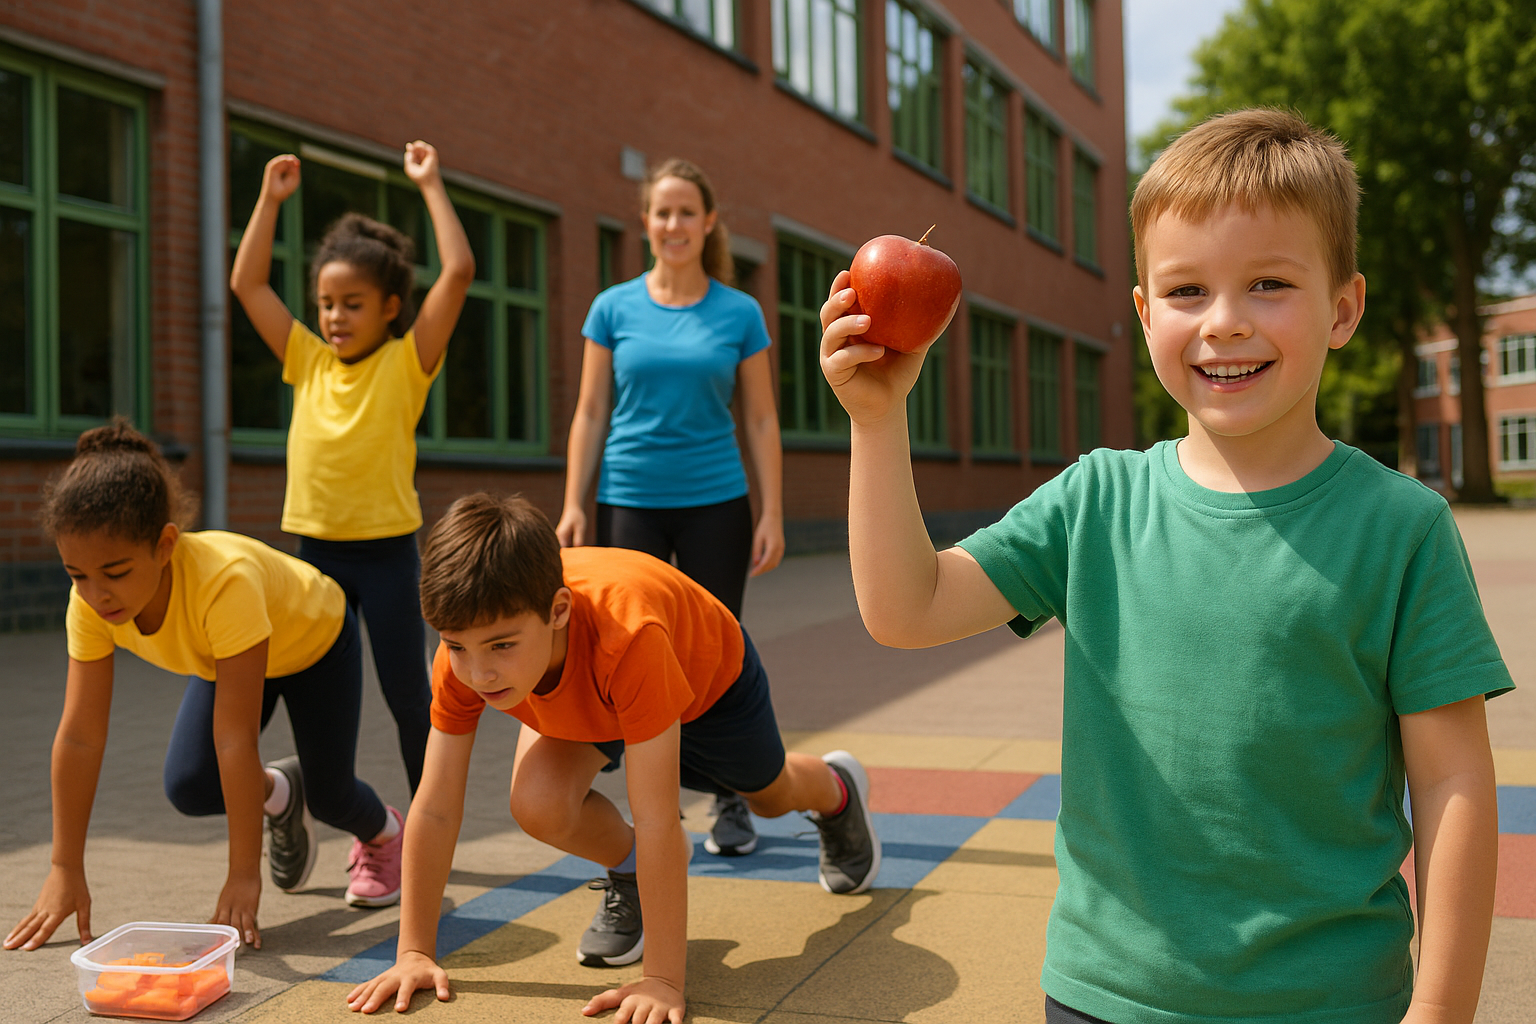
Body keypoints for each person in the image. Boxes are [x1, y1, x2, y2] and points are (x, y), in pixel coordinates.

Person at [819, 108, 1510, 1024]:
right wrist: (877, 423)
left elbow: (1454, 784)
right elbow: (907, 609)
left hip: (1332, 1000)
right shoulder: (1096, 501)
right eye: (1187, 291)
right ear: (1145, 315)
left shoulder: (1403, 529)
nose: (1224, 323)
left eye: (1269, 284)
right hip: (1105, 993)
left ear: (1343, 309)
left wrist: (1442, 1010)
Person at [344, 493, 879, 1023]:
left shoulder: (629, 637)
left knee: (770, 797)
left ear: (557, 611)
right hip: (594, 693)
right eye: (457, 646)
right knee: (539, 803)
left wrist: (662, 981)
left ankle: (837, 790)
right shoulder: (465, 653)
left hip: (708, 684)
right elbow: (435, 807)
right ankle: (630, 873)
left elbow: (658, 818)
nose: (479, 673)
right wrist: (414, 951)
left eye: (502, 646)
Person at [3, 420, 406, 955]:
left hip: (316, 642)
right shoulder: (89, 606)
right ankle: (281, 793)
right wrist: (63, 866)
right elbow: (79, 737)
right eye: (77, 574)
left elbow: (234, 739)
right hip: (230, 655)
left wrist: (243, 876)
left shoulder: (224, 582)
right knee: (191, 784)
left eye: (116, 573)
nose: (97, 594)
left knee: (332, 797)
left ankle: (386, 832)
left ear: (165, 545)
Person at [229, 140, 474, 796]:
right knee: (306, 698)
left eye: (353, 303)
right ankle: (320, 803)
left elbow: (458, 271)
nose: (335, 316)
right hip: (315, 559)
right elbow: (247, 284)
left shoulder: (407, 362)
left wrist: (430, 183)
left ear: (390, 306)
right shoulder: (307, 360)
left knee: (409, 700)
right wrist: (269, 200)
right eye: (326, 303)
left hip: (388, 558)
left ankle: (431, 827)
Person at [556, 158, 784, 859]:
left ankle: (729, 798)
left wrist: (773, 511)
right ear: (645, 221)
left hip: (717, 501)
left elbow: (761, 418)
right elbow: (590, 410)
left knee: (713, 652)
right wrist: (572, 503)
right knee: (626, 650)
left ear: (708, 222)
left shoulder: (739, 312)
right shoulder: (612, 308)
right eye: (663, 212)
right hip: (629, 500)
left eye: (687, 211)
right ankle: (652, 809)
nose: (674, 224)